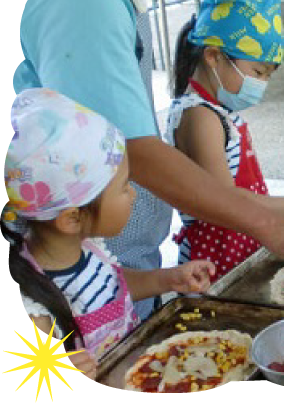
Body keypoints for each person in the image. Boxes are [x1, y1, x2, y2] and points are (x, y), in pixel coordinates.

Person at [15, 0, 284, 319]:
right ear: (214, 58)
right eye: (257, 71)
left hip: (127, 255)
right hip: (113, 245)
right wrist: (272, 222)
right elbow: (133, 149)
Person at [3, 89, 216, 379]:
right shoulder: (36, 308)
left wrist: (167, 279)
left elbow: (113, 285)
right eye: (124, 186)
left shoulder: (90, 250)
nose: (132, 195)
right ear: (71, 219)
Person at [167, 0, 284, 280]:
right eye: (258, 72)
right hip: (216, 258)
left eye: (267, 76)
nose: (262, 84)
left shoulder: (217, 110)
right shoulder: (200, 117)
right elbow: (228, 200)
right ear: (213, 56)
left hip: (243, 238)